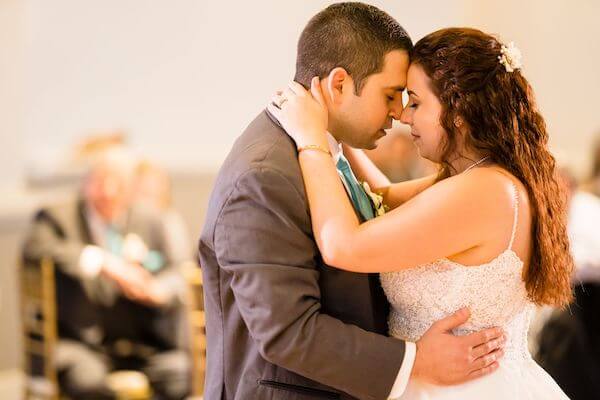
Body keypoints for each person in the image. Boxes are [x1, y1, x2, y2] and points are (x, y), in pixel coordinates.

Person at [199, 4, 504, 400]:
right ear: (339, 85)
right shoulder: (265, 176)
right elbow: (288, 332)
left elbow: (383, 202)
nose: (398, 114)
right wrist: (415, 361)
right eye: (391, 95)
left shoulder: (324, 149)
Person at [268, 27, 573, 399]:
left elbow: (342, 245)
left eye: (415, 102)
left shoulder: (483, 191)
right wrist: (338, 128)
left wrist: (311, 139)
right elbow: (381, 195)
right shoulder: (477, 178)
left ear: (457, 110)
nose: (403, 116)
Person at [23, 150, 190, 399]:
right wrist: (101, 261)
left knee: (183, 374)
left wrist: (158, 290)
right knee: (89, 383)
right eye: (100, 181)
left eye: (119, 184)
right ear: (86, 182)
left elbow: (176, 271)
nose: (108, 192)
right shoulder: (57, 217)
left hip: (141, 345)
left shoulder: (150, 219)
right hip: (80, 345)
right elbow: (35, 248)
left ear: (132, 188)